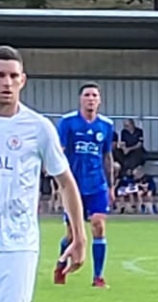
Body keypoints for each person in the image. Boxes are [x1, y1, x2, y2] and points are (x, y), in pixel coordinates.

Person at [0, 46, 82, 302]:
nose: (6, 83)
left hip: (16, 244)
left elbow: (65, 182)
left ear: (23, 81)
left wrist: (78, 236)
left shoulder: (38, 128)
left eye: (12, 76)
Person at [54, 83, 114, 289]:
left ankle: (98, 277)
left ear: (100, 100)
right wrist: (59, 183)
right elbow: (60, 153)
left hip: (97, 184)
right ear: (80, 99)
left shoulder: (106, 125)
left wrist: (111, 186)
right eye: (87, 95)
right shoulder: (68, 123)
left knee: (98, 225)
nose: (91, 99)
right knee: (73, 234)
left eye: (94, 95)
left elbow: (107, 156)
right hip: (74, 186)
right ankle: (61, 262)